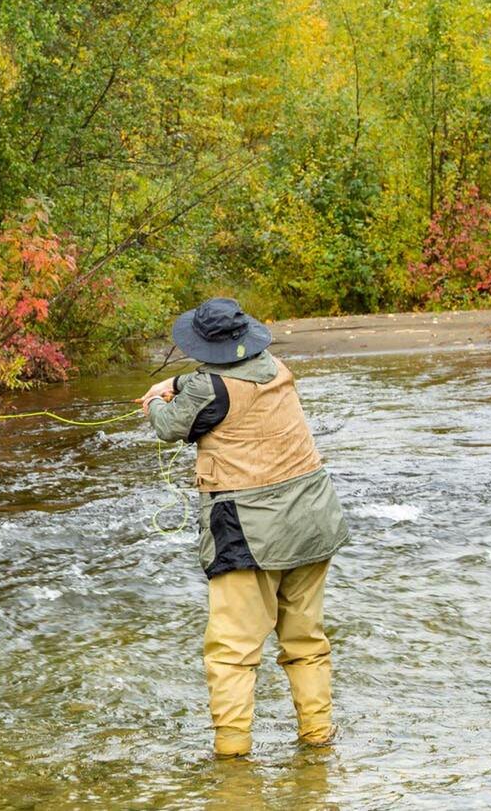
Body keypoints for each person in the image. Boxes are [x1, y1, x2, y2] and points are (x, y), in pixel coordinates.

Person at [138, 297, 348, 759]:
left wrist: (154, 400)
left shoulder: (208, 390)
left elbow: (171, 426)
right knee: (306, 641)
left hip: (249, 530)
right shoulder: (275, 366)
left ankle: (232, 764)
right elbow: (213, 383)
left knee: (231, 651)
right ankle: (317, 742)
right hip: (313, 519)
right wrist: (174, 381)